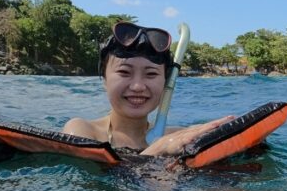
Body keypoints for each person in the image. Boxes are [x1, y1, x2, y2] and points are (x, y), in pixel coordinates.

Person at [63, 21, 234, 156]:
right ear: (104, 79)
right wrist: (158, 150)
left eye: (151, 74)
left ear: (166, 83)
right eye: (124, 72)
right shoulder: (82, 131)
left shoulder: (179, 137)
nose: (137, 86)